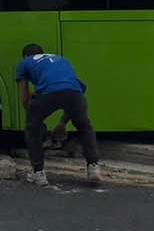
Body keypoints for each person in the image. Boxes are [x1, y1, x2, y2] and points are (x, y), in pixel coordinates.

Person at [15, 44, 101, 186]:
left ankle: (38, 173)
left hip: (48, 94)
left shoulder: (25, 63)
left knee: (32, 131)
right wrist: (62, 123)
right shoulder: (61, 59)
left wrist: (33, 117)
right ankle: (93, 167)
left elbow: (24, 98)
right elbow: (70, 89)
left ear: (25, 56)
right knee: (84, 127)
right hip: (74, 93)